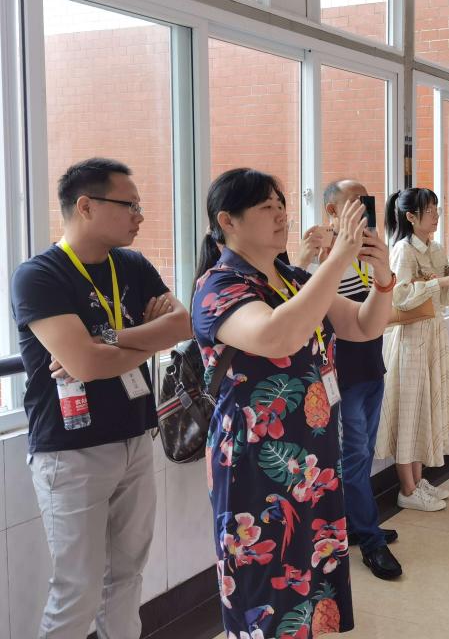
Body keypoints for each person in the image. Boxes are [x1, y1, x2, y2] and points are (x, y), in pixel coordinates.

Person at [191, 168, 394, 635]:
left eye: (282, 204)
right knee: (264, 586)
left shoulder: (293, 278)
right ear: (228, 221)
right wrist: (337, 260)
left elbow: (363, 326)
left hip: (314, 456)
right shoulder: (220, 285)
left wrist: (382, 278)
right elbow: (277, 335)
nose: (281, 214)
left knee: (311, 576)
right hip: (256, 464)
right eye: (267, 207)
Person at [11, 158, 191, 638]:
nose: (140, 216)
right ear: (86, 206)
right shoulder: (39, 276)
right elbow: (86, 367)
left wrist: (109, 339)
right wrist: (141, 338)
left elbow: (183, 323)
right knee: (78, 590)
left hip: (135, 437)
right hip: (71, 452)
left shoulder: (131, 264)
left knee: (128, 577)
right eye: (129, 205)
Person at [297, 179, 400, 580]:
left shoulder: (367, 249)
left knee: (363, 452)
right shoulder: (322, 253)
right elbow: (308, 308)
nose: (363, 208)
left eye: (366, 201)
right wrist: (317, 257)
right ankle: (370, 540)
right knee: (355, 457)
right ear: (332, 211)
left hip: (372, 364)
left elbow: (379, 309)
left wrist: (380, 266)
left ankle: (357, 524)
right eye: (354, 202)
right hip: (343, 375)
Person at [377, 188, 449, 512]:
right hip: (410, 338)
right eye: (429, 210)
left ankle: (418, 481)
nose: (436, 215)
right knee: (409, 412)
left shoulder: (436, 248)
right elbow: (399, 296)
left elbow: (445, 299)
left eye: (436, 208)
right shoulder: (402, 250)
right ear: (410, 216)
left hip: (433, 335)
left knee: (425, 409)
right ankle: (406, 488)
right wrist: (438, 283)